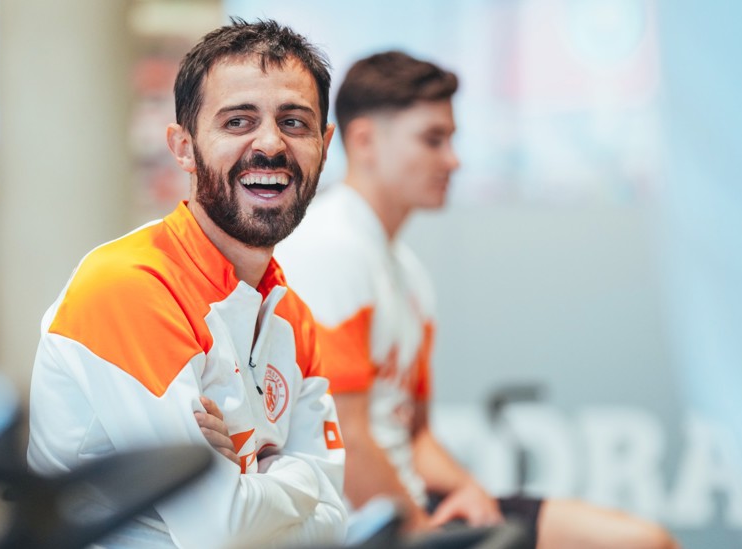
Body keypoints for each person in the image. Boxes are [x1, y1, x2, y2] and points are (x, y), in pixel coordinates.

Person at [275, 51, 680, 549]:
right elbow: (348, 444)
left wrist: (471, 492)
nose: (454, 159)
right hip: (359, 523)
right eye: (432, 139)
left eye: (452, 139)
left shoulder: (409, 274)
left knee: (644, 542)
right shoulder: (329, 246)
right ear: (364, 141)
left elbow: (416, 435)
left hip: (416, 504)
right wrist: (425, 534)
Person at [27, 19, 346, 549]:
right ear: (183, 147)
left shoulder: (290, 313)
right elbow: (219, 531)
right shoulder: (129, 287)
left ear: (324, 144)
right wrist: (300, 478)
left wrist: (254, 490)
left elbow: (333, 525)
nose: (270, 144)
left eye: (294, 122)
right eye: (238, 121)